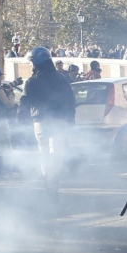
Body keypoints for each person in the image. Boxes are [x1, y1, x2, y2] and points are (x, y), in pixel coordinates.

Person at [19, 47, 75, 199]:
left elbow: (24, 102)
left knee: (44, 154)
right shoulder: (62, 78)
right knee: (56, 155)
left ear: (36, 62)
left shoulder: (32, 81)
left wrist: (19, 122)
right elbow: (71, 100)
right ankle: (54, 187)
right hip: (60, 122)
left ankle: (48, 187)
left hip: (41, 122)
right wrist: (71, 122)